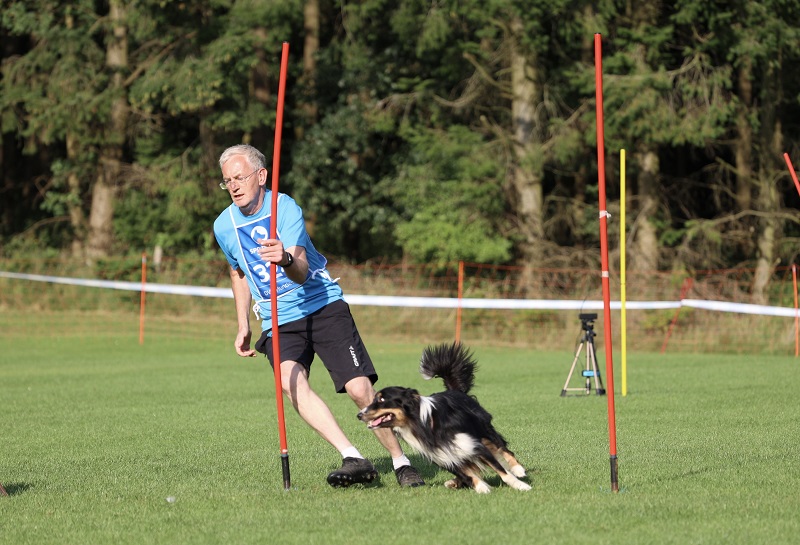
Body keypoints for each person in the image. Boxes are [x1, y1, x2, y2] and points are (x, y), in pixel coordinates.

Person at [212, 144, 425, 488]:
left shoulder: (284, 208)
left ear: (261, 176)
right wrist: (242, 324)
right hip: (277, 319)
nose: (233, 186)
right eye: (227, 181)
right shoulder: (224, 226)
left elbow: (299, 269)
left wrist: (282, 257)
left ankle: (401, 463)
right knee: (289, 382)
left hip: (321, 305)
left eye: (239, 177)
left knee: (359, 389)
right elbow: (237, 272)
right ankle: (353, 456)